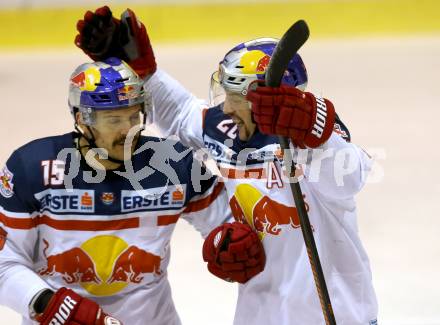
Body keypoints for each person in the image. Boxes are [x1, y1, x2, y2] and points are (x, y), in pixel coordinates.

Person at [75, 6, 378, 325]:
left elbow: (350, 179)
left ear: (265, 97)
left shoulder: (311, 137)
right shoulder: (226, 129)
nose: (226, 107)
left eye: (235, 96)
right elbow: (180, 113)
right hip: (260, 314)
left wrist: (319, 137)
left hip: (339, 315)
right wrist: (144, 72)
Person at [0, 56, 266, 324]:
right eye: (114, 119)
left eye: (133, 116)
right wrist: (49, 304)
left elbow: (228, 223)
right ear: (82, 119)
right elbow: (4, 263)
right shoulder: (32, 168)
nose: (128, 130)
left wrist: (232, 245)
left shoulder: (172, 163)